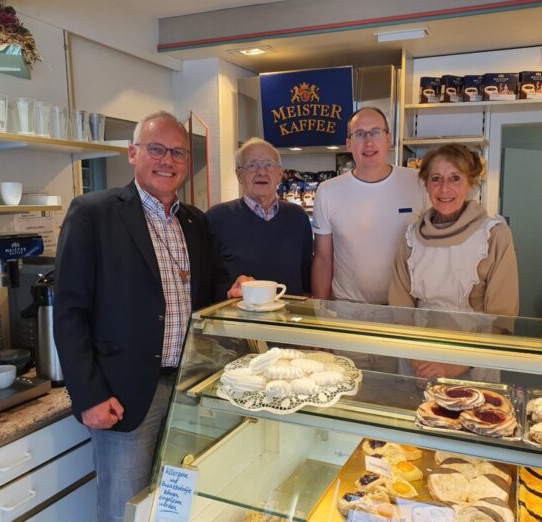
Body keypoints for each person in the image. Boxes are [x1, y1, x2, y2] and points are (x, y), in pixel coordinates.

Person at [53, 111, 234, 522]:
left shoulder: (194, 222)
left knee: (177, 504)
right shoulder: (93, 213)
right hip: (125, 394)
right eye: (156, 149)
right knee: (124, 507)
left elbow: (205, 293)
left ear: (187, 164)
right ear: (133, 154)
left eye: (178, 153)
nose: (167, 161)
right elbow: (69, 312)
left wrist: (233, 291)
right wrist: (89, 395)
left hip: (188, 386)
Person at [389, 143, 519, 380]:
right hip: (418, 359)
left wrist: (454, 367)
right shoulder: (411, 236)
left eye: (455, 178)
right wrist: (417, 359)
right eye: (435, 178)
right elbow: (400, 309)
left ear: (471, 184)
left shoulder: (494, 234)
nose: (444, 188)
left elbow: (502, 318)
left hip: (474, 364)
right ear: (426, 185)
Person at [311, 106, 427, 304]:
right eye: (359, 134)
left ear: (388, 139)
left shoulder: (418, 182)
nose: (368, 141)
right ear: (348, 144)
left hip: (405, 307)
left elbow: (432, 249)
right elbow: (323, 258)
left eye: (375, 132)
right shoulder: (328, 191)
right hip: (347, 308)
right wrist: (320, 313)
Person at [207, 137, 312, 295]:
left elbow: (306, 276)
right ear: (239, 175)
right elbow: (208, 281)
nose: (261, 172)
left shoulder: (298, 217)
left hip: (290, 317)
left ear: (279, 174)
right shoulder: (216, 218)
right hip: (238, 318)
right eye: (252, 165)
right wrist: (229, 291)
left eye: (269, 165)